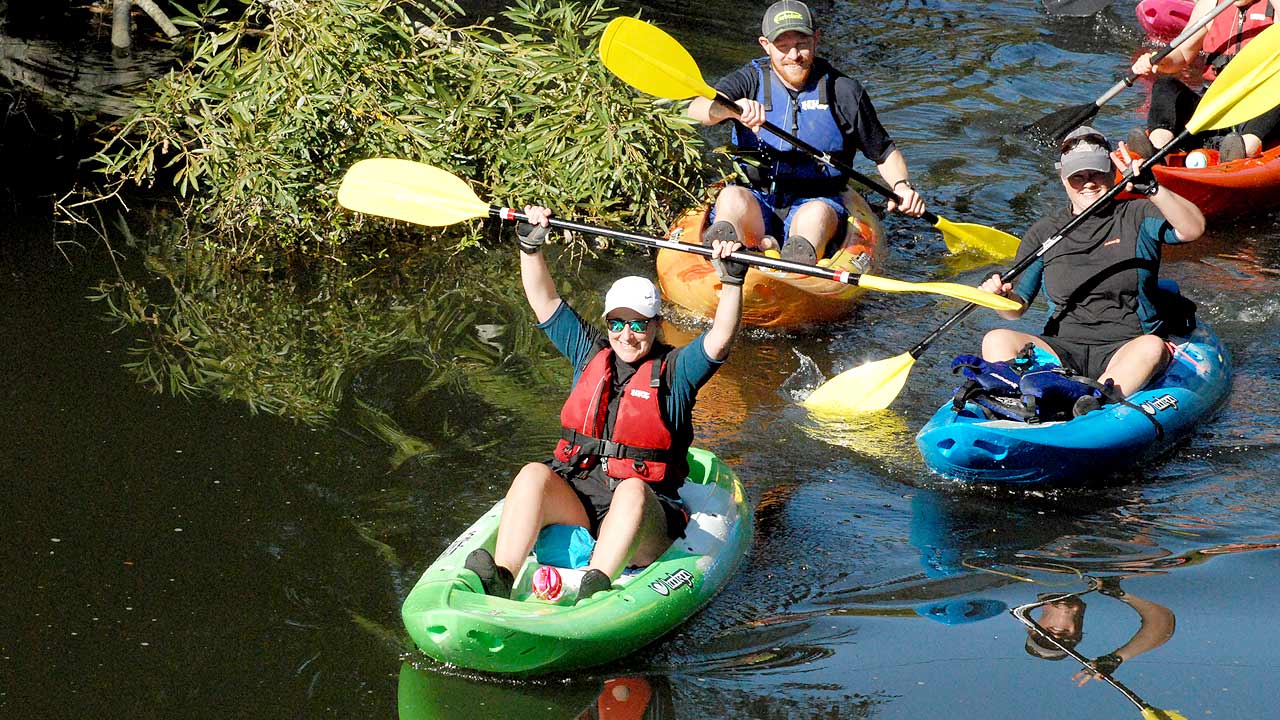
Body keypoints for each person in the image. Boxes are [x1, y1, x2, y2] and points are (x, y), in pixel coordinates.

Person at [463, 211, 745, 601]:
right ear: (606, 323)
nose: (626, 335)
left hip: (645, 515)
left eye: (638, 324)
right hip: (581, 498)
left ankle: (596, 585)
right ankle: (502, 575)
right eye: (617, 324)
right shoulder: (589, 354)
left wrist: (730, 281)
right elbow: (545, 301)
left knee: (631, 489)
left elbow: (719, 340)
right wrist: (530, 247)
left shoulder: (676, 370)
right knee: (532, 473)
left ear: (655, 325)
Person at [686, 0, 926, 264]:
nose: (793, 55)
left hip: (817, 199)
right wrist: (732, 108)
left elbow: (884, 152)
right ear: (766, 45)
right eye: (783, 46)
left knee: (816, 214)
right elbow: (696, 109)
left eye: (801, 43)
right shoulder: (749, 80)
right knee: (731, 196)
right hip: (756, 196)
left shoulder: (844, 91)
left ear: (816, 40)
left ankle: (794, 258)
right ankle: (730, 251)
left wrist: (901, 186)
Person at [980, 127, 1205, 404]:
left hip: (1128, 345)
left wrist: (1153, 188)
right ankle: (1029, 397)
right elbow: (1016, 309)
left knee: (1152, 347)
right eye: (1078, 176)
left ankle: (1094, 401)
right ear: (1063, 179)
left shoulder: (1138, 215)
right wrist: (1000, 298)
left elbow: (1193, 229)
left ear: (1112, 173)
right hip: (1062, 349)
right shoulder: (1044, 232)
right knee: (996, 338)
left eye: (1096, 173)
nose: (1088, 183)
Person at [1127, 0, 1279, 162]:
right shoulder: (1211, 4)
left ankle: (1242, 153)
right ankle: (1157, 150)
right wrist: (1160, 61)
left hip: (1258, 105)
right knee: (1165, 85)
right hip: (1212, 106)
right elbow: (1183, 53)